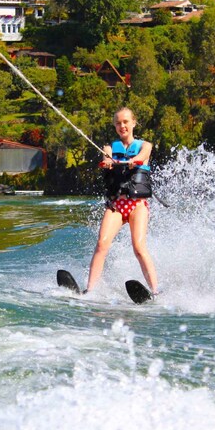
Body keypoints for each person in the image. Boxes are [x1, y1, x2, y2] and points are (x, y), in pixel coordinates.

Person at [85, 107, 158, 294]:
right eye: (118, 123)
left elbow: (143, 156)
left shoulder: (145, 146)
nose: (122, 126)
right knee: (101, 244)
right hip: (116, 205)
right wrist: (108, 162)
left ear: (133, 123)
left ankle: (155, 291)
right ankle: (90, 290)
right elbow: (105, 157)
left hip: (137, 206)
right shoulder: (109, 148)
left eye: (125, 122)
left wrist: (135, 160)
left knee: (139, 247)